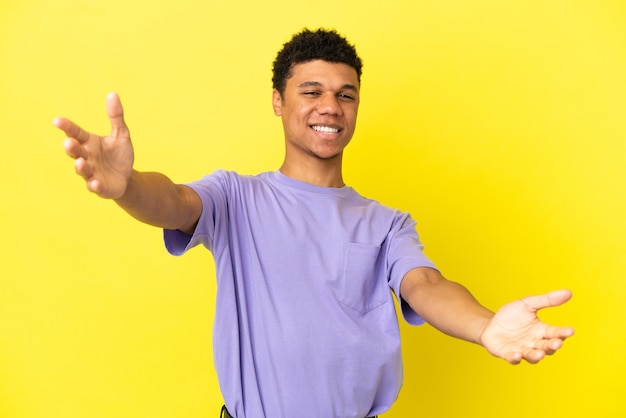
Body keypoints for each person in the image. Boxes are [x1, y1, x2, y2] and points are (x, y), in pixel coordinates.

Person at [54, 28, 574, 418]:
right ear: (279, 102)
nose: (331, 106)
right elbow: (170, 201)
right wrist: (127, 187)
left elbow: (426, 285)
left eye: (346, 94)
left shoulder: (387, 224)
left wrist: (486, 327)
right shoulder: (237, 197)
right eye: (312, 91)